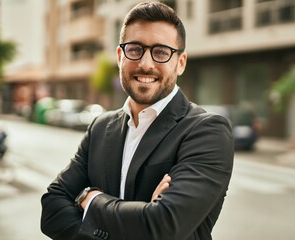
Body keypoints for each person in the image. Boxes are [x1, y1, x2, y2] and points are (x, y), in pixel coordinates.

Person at [40, 2, 234, 240]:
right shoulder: (100, 128)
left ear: (180, 63)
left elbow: (162, 226)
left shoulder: (206, 131)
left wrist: (90, 200)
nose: (146, 63)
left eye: (161, 52)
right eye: (135, 49)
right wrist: (141, 217)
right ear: (120, 56)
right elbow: (51, 211)